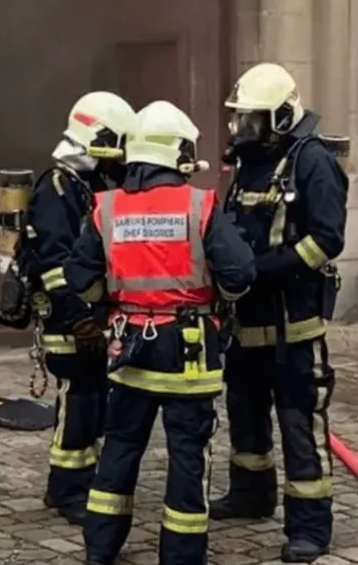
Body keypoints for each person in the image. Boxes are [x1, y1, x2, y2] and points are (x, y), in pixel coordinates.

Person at [65, 100, 256, 565]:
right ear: (177, 154)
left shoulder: (105, 208)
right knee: (188, 458)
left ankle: (100, 549)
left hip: (128, 349)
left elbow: (80, 275)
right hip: (188, 355)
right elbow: (239, 274)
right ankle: (181, 556)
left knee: (120, 449)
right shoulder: (200, 204)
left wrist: (110, 302)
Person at [210, 63, 349, 563]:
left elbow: (326, 240)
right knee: (245, 412)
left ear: (282, 117)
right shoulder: (250, 161)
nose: (241, 130)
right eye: (238, 119)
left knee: (297, 423)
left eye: (251, 120)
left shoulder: (312, 162)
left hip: (294, 325)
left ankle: (310, 526)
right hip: (245, 321)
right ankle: (250, 493)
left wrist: (267, 269)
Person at [26, 91, 136, 526]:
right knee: (80, 400)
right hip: (69, 318)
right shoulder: (57, 188)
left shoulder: (83, 186)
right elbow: (54, 264)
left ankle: (75, 483)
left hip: (88, 316)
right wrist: (77, 317)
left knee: (93, 399)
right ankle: (69, 490)